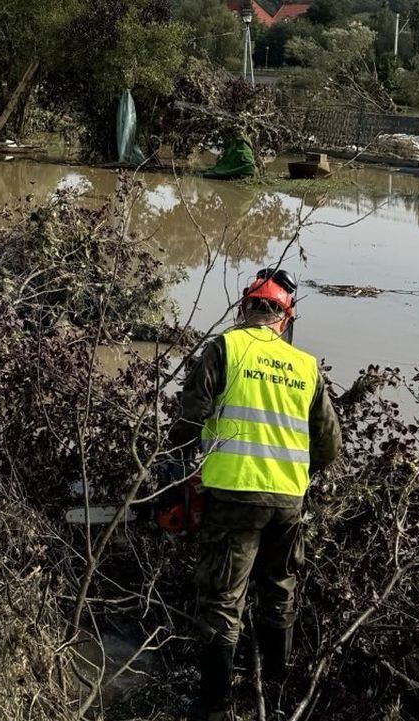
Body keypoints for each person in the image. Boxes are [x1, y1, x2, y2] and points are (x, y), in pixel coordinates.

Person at [167, 267, 342, 720]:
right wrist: (297, 474)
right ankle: (279, 689)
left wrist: (176, 467)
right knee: (279, 588)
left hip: (234, 495)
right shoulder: (306, 366)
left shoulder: (225, 348)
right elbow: (329, 445)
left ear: (245, 308)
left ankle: (216, 706)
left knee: (223, 599)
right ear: (285, 319)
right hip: (288, 500)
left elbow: (189, 420)